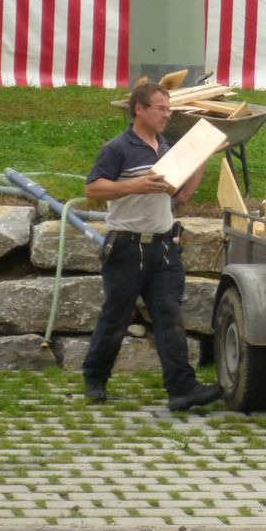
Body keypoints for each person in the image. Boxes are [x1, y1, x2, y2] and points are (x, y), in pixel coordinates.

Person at [82, 81, 223, 411]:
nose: (166, 114)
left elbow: (182, 195)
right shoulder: (118, 148)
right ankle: (95, 380)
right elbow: (93, 189)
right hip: (127, 247)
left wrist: (202, 157)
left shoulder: (165, 147)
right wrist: (137, 184)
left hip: (163, 247)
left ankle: (181, 389)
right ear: (139, 109)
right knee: (115, 317)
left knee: (170, 317)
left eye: (168, 109)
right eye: (161, 108)